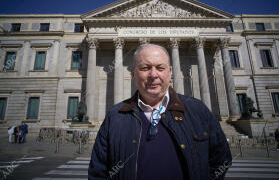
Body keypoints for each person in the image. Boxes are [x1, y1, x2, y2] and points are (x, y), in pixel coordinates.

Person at [88, 44, 232, 180]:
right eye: (145, 68)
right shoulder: (116, 115)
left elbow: (221, 160)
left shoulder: (197, 110)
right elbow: (98, 171)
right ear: (133, 74)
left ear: (170, 72)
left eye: (160, 68)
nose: (153, 75)